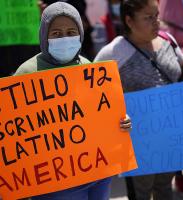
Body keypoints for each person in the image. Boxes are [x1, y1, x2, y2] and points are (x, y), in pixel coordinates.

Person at [7, 2, 132, 200]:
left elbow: (101, 113)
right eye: (56, 33)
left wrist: (120, 121)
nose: (65, 38)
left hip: (98, 174)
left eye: (71, 31)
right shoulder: (26, 73)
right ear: (44, 35)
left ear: (81, 33)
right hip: (54, 183)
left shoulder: (90, 68)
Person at [94, 0, 183, 199]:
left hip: (170, 137)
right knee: (141, 194)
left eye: (157, 15)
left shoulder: (167, 39)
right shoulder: (114, 52)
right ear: (129, 21)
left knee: (165, 188)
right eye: (148, 18)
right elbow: (92, 90)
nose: (156, 22)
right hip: (138, 143)